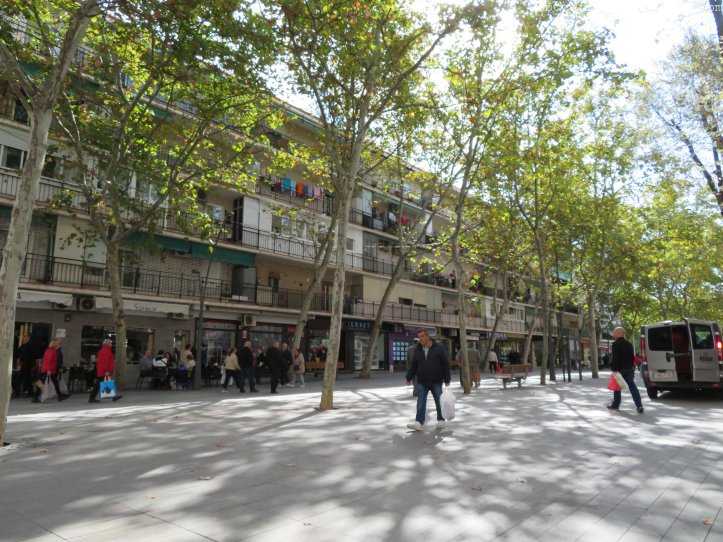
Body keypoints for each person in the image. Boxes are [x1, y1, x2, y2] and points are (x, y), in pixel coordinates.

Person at [405, 329, 451, 431]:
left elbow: (445, 364)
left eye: (422, 336)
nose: (420, 339)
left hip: (436, 380)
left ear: (427, 336)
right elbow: (414, 365)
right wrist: (408, 377)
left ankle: (441, 420)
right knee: (421, 401)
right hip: (422, 381)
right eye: (419, 336)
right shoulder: (418, 348)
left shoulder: (439, 347)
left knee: (439, 400)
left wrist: (447, 379)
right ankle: (418, 422)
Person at [608, 327, 644, 414]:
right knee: (632, 386)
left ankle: (616, 405)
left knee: (617, 387)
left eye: (614, 333)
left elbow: (616, 358)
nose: (613, 334)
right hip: (629, 368)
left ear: (618, 333)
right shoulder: (629, 344)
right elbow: (632, 357)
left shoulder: (615, 344)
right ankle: (639, 405)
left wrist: (614, 369)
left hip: (620, 369)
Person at [89, 339, 122, 403]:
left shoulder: (104, 350)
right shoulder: (106, 351)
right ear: (107, 344)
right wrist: (107, 370)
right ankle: (91, 398)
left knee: (106, 383)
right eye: (110, 343)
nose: (111, 344)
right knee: (99, 385)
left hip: (102, 371)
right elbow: (105, 362)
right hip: (104, 371)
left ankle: (114, 397)